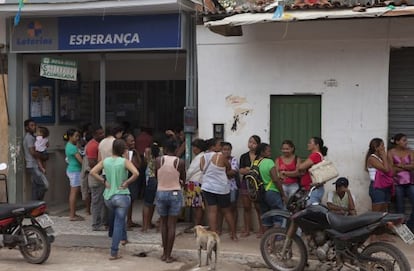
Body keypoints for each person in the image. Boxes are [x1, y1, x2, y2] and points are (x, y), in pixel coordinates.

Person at [90, 139, 139, 260]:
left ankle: (123, 238)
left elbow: (92, 172)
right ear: (123, 150)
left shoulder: (105, 161)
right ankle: (114, 251)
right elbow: (136, 173)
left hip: (108, 196)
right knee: (119, 222)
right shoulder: (124, 162)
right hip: (122, 195)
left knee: (118, 219)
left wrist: (104, 181)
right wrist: (127, 182)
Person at [155, 138, 186, 263]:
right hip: (175, 192)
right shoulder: (180, 162)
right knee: (172, 225)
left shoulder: (158, 160)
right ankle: (169, 255)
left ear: (165, 149)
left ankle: (163, 254)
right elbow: (183, 178)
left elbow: (156, 176)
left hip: (161, 192)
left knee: (163, 223)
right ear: (176, 149)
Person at [200, 138, 237, 241]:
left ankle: (213, 234)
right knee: (227, 211)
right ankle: (233, 234)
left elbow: (202, 169)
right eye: (219, 145)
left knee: (212, 211)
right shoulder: (220, 156)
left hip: (207, 187)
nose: (221, 147)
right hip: (221, 188)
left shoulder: (203, 157)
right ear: (213, 147)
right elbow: (228, 167)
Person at [257, 143, 287, 231]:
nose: (270, 153)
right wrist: (283, 194)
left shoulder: (255, 163)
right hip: (272, 192)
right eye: (268, 151)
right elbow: (275, 179)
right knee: (278, 217)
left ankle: (267, 241)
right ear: (262, 152)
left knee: (266, 218)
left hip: (261, 193)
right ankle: (273, 242)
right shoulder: (269, 162)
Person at [239, 135, 264, 238]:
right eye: (250, 142)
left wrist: (248, 169)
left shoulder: (261, 157)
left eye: (254, 143)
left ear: (258, 145)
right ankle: (247, 229)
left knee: (259, 207)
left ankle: (262, 229)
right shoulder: (244, 156)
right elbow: (241, 170)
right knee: (246, 207)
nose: (251, 144)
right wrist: (248, 170)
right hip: (246, 183)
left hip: (258, 184)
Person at [388, 133, 414, 231]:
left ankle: (411, 226)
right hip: (397, 184)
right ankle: (402, 230)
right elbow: (391, 169)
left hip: (410, 183)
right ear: (397, 142)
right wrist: (407, 167)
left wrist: (400, 166)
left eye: (406, 140)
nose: (406, 142)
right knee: (400, 207)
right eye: (404, 140)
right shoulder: (391, 152)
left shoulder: (410, 151)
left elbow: (413, 166)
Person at [85, 124, 106, 231]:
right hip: (96, 177)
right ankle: (96, 224)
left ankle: (102, 222)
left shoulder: (99, 144)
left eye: (103, 132)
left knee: (101, 201)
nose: (103, 135)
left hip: (99, 175)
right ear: (94, 134)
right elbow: (92, 163)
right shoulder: (93, 145)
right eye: (100, 134)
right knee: (97, 201)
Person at [23, 119, 49, 200]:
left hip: (35, 165)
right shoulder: (29, 138)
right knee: (44, 185)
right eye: (32, 125)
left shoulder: (34, 137)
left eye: (34, 125)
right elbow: (33, 153)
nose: (34, 127)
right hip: (33, 165)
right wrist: (43, 156)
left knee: (35, 187)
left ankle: (35, 208)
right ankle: (37, 204)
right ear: (27, 128)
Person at [298, 136, 328, 205]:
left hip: (314, 189)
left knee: (311, 211)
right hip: (313, 189)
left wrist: (299, 162)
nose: (308, 144)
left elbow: (301, 167)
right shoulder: (318, 155)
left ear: (316, 145)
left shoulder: (315, 155)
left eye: (310, 143)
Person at [366, 138, 393, 213]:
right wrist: (384, 156)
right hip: (377, 187)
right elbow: (386, 169)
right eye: (382, 145)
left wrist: (385, 157)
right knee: (376, 213)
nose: (384, 148)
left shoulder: (380, 159)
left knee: (383, 212)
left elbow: (391, 170)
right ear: (376, 147)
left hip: (385, 186)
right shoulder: (372, 158)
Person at [185, 139, 207, 228]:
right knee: (196, 206)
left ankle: (197, 225)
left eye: (195, 147)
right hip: (195, 183)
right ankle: (197, 224)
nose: (193, 149)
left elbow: (190, 171)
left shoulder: (200, 157)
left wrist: (185, 179)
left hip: (195, 183)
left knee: (197, 206)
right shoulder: (200, 156)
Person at [218, 141, 239, 235]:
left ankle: (232, 230)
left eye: (228, 150)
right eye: (224, 150)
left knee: (232, 207)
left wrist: (221, 173)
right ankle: (219, 229)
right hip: (220, 187)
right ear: (221, 150)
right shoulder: (218, 159)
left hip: (232, 187)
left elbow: (233, 173)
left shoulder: (234, 160)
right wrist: (226, 172)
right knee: (220, 209)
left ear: (231, 150)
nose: (226, 152)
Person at [64, 128, 84, 221]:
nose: (77, 138)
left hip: (73, 170)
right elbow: (80, 160)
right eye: (75, 136)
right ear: (70, 137)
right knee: (74, 193)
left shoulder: (69, 145)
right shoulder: (72, 148)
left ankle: (73, 213)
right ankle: (72, 215)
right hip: (75, 171)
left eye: (78, 136)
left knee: (74, 192)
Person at [122, 133, 142, 229]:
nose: (133, 142)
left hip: (131, 179)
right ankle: (127, 221)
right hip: (128, 178)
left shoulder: (133, 152)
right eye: (131, 141)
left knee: (131, 200)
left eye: (134, 140)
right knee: (128, 201)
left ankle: (129, 220)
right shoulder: (127, 153)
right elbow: (137, 165)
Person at [142, 142, 160, 232]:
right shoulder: (162, 154)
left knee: (147, 203)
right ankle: (159, 226)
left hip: (150, 179)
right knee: (158, 203)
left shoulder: (148, 153)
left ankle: (145, 226)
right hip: (159, 179)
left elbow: (145, 159)